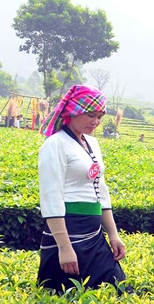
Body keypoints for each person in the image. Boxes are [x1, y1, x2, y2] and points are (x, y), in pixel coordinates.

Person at [36, 84, 126, 292]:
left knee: (116, 289)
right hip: (68, 230)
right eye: (90, 115)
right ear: (72, 111)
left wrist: (113, 234)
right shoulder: (55, 144)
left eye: (100, 117)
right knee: (63, 293)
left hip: (94, 232)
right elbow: (51, 197)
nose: (95, 122)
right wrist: (64, 248)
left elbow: (101, 191)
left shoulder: (93, 143)